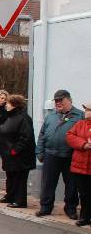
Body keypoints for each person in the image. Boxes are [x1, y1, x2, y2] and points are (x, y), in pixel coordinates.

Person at [34, 89, 84, 218]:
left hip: (70, 156)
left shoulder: (80, 116)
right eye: (56, 101)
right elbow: (42, 135)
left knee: (71, 185)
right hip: (51, 154)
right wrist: (39, 152)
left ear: (69, 100)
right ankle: (45, 207)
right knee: (48, 183)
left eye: (60, 100)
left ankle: (71, 209)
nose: (57, 103)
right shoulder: (51, 116)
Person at [0, 95, 36, 208]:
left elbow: (26, 137)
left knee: (19, 178)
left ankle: (20, 201)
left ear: (15, 105)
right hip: (9, 154)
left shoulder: (24, 118)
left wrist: (15, 150)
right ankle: (10, 196)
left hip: (20, 155)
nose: (6, 105)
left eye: (8, 103)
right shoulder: (10, 116)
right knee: (11, 176)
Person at [66, 100, 91, 226]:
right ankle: (84, 217)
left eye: (89, 110)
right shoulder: (80, 124)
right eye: (86, 109)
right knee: (83, 193)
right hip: (80, 165)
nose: (86, 112)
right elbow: (70, 137)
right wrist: (83, 144)